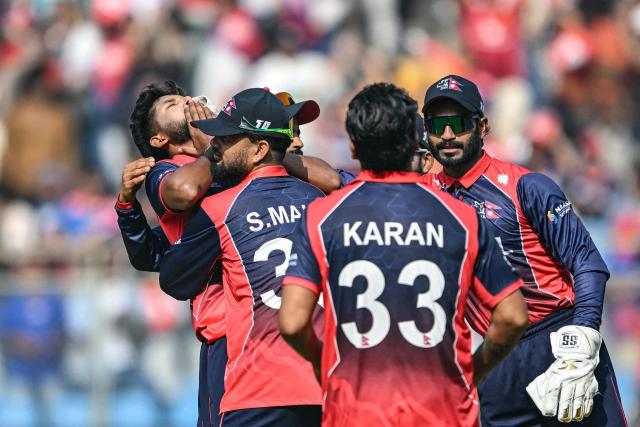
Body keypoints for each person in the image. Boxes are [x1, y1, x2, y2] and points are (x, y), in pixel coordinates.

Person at [278, 82, 528, 426]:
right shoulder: (461, 217)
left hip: (354, 410)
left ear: (352, 146)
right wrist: (473, 371)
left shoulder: (322, 217)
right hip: (444, 410)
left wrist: (327, 366)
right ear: (415, 141)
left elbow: (291, 322)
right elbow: (513, 316)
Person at [114, 82, 326, 426]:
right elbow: (168, 229)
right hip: (227, 330)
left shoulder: (241, 160)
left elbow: (325, 176)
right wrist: (218, 147)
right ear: (157, 139)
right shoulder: (165, 170)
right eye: (170, 103)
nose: (185, 101)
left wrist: (268, 146)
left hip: (271, 324)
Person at [421, 74, 628, 426]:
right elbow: (349, 186)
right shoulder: (421, 195)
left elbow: (587, 262)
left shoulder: (526, 186)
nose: (448, 135)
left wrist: (583, 337)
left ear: (481, 126)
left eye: (458, 123)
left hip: (558, 341)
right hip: (496, 355)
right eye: (437, 125)